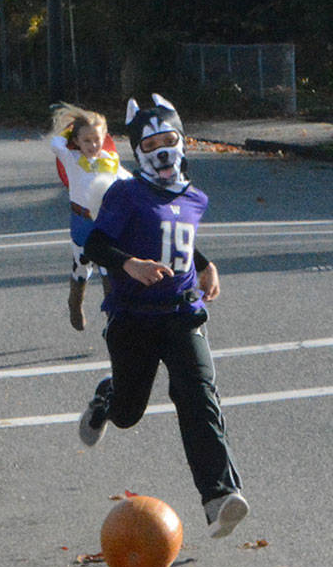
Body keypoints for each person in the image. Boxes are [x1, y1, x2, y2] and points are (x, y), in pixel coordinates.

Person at [77, 94, 249, 539]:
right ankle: (107, 397)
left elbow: (178, 239)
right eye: (151, 143)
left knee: (198, 398)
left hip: (182, 315)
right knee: (128, 412)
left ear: (183, 140)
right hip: (134, 317)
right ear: (138, 151)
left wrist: (207, 264)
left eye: (169, 139)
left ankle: (219, 498)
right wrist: (129, 264)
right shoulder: (127, 193)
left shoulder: (195, 197)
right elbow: (95, 245)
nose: (163, 150)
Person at [48, 103, 132, 330]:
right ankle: (75, 302)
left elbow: (128, 182)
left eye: (97, 139)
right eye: (86, 140)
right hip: (81, 221)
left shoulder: (111, 161)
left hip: (105, 221)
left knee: (109, 268)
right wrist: (70, 133)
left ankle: (113, 320)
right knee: (82, 265)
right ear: (77, 140)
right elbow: (55, 143)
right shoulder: (71, 158)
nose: (93, 145)